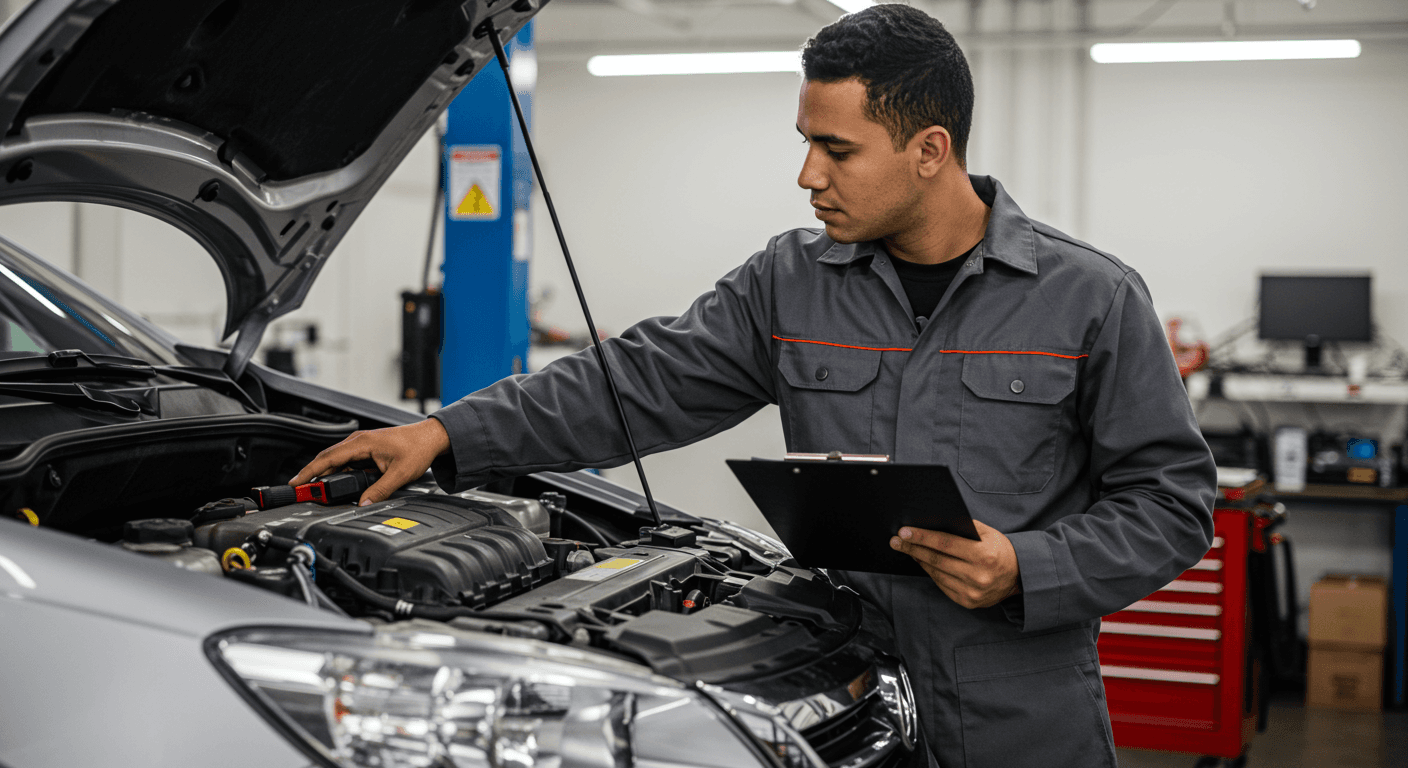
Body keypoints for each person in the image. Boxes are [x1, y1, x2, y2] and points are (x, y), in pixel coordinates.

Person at [293, 5, 1215, 766]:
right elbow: (635, 383)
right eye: (806, 141)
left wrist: (1026, 566)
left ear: (930, 150)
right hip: (836, 695)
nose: (807, 174)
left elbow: (1173, 503)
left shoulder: (1090, 298)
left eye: (837, 149)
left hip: (1020, 717)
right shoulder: (790, 281)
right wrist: (448, 436)